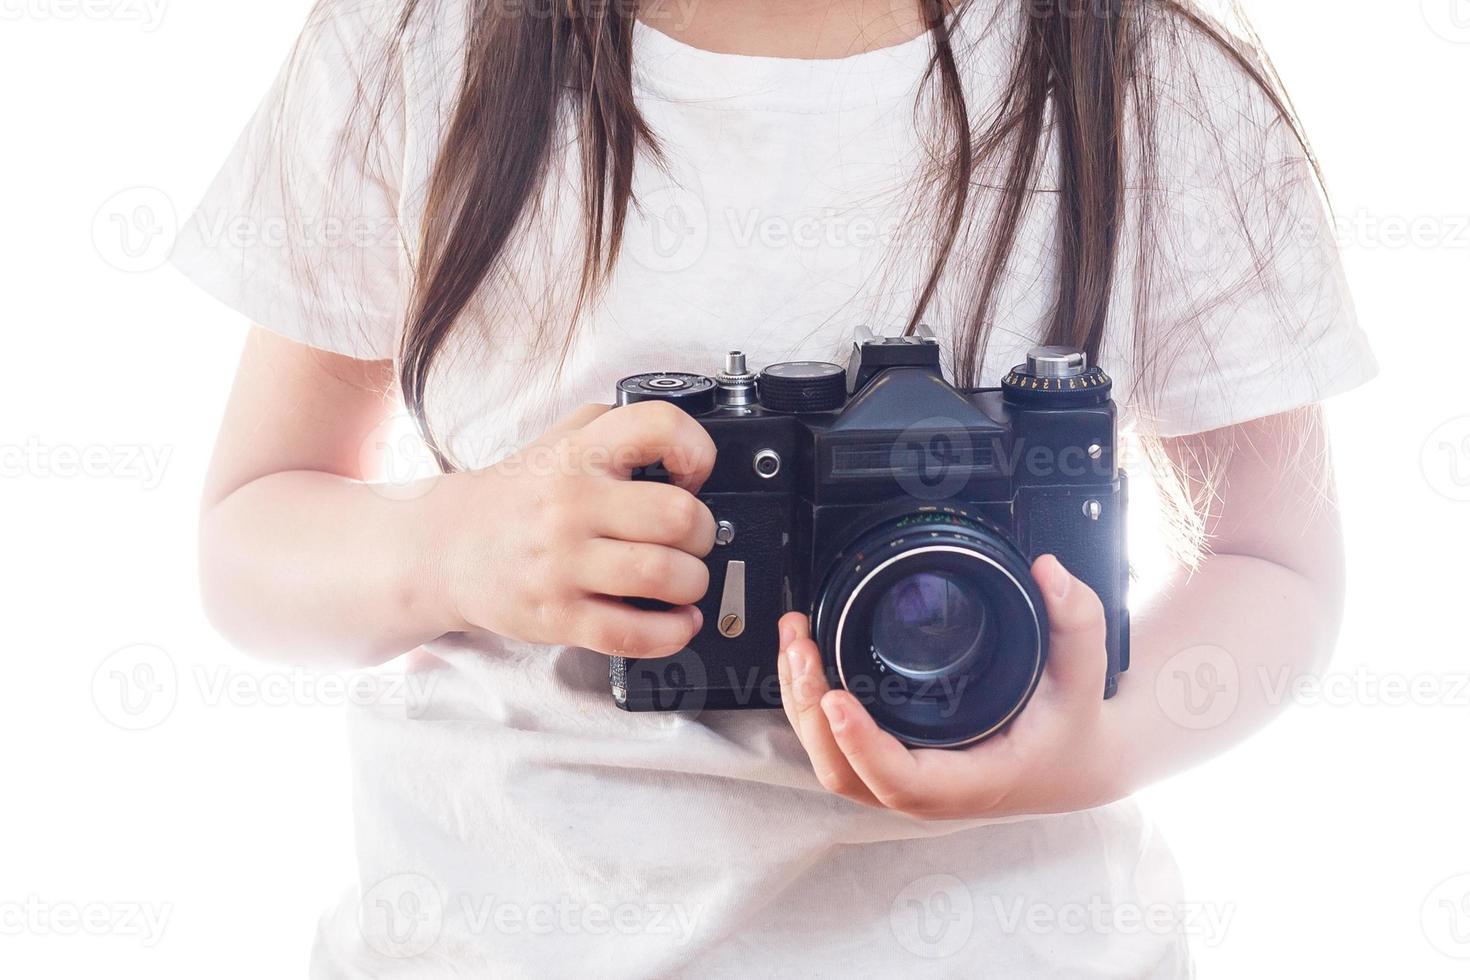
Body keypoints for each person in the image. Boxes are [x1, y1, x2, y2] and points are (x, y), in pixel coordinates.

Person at [172, 0, 1377, 975]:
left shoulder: (1149, 75)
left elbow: (1277, 565)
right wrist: (452, 545)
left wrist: (1087, 746)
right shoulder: (413, 44)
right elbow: (250, 534)